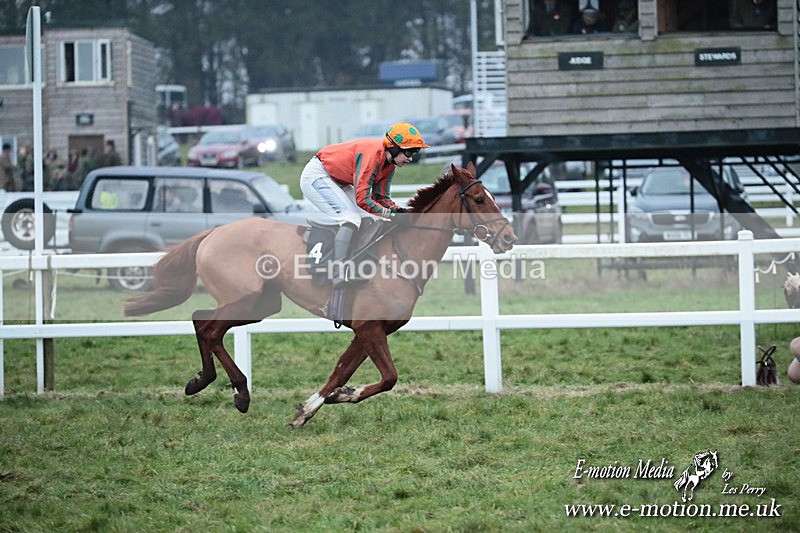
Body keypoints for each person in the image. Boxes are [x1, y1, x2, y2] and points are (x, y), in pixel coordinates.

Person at [299, 121, 429, 287]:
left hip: (337, 179)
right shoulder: (372, 156)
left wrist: (400, 210)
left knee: (370, 218)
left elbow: (381, 197)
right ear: (394, 148)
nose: (410, 158)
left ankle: (355, 263)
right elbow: (363, 199)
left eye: (414, 153)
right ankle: (338, 272)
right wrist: (391, 215)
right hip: (317, 175)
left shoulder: (390, 165)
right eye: (409, 153)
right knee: (351, 218)